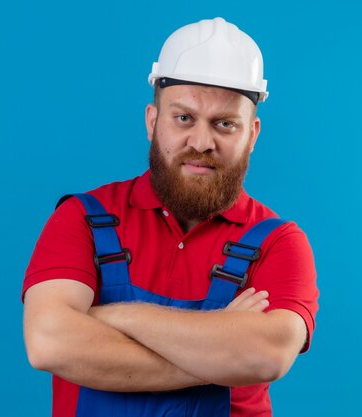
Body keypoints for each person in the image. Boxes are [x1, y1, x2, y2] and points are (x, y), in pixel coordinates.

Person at [22, 17, 319, 417]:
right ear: (152, 122)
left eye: (225, 124)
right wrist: (218, 354)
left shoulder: (278, 242)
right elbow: (49, 342)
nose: (201, 142)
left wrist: (112, 317)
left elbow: (264, 358)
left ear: (252, 135)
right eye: (184, 118)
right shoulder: (81, 218)